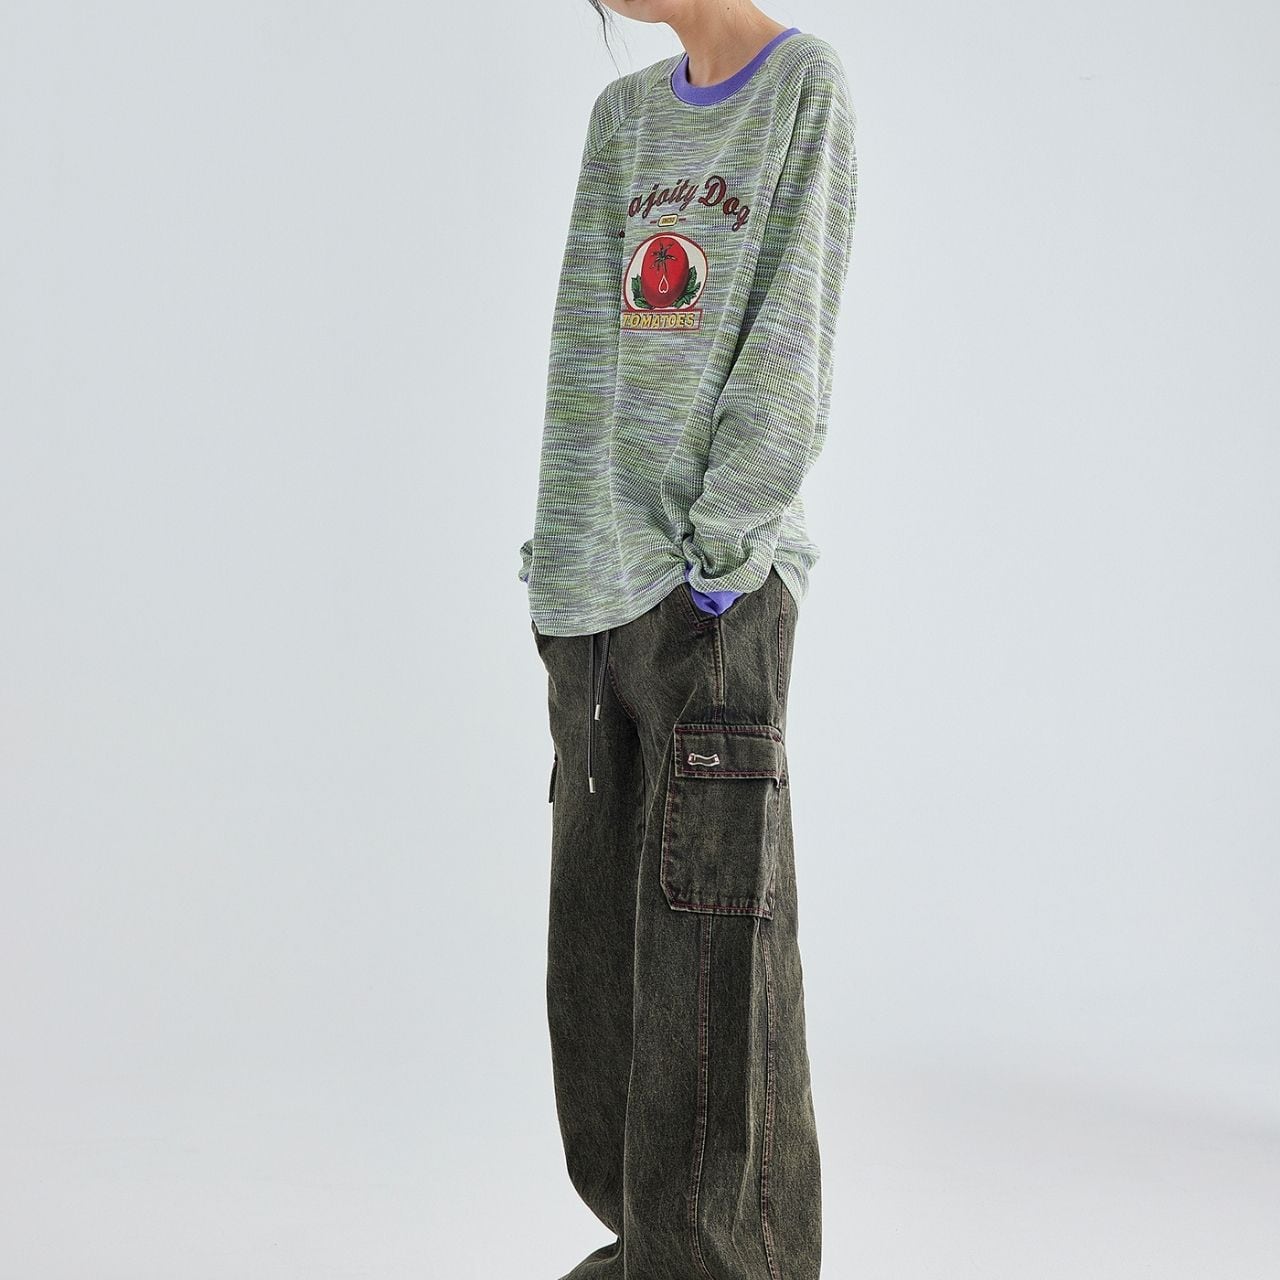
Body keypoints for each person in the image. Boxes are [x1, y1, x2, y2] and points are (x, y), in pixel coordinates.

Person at [517, 3, 857, 1276]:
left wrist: (720, 551)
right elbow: (583, 353)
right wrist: (560, 562)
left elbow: (790, 334)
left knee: (712, 969)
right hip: (593, 598)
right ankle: (647, 1251)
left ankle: (721, 1264)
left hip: (710, 593)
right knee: (601, 978)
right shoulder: (622, 119)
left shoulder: (800, 87)